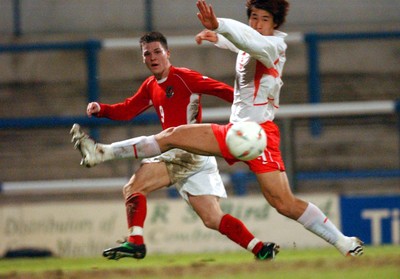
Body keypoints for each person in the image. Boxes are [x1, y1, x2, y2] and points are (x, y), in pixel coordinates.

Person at [71, 0, 364, 257]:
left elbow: (253, 43)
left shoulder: (274, 45)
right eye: (254, 17)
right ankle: (345, 244)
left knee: (283, 203)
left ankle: (101, 153)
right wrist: (218, 37)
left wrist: (221, 25)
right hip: (244, 132)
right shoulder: (250, 45)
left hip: (256, 133)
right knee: (183, 154)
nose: (258, 24)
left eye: (264, 19)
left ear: (275, 25)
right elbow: (244, 44)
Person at [77, 31, 279, 261]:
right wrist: (101, 109)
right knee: (212, 218)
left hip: (186, 151)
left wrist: (253, 113)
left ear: (167, 53)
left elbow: (223, 91)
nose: (153, 57)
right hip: (190, 156)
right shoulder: (150, 86)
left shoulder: (184, 77)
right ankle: (260, 249)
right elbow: (128, 110)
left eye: (157, 52)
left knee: (133, 188)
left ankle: (135, 242)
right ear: (143, 59)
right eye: (147, 54)